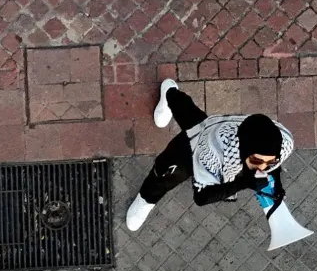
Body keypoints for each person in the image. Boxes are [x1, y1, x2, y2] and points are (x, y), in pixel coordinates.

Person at [126, 79, 294, 231]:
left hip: (219, 131)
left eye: (269, 162)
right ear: (243, 151)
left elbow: (272, 163)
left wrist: (277, 184)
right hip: (200, 143)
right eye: (257, 160)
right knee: (165, 171)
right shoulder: (211, 148)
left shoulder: (284, 143)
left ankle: (170, 92)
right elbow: (201, 197)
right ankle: (146, 198)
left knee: (187, 111)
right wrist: (244, 183)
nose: (263, 168)